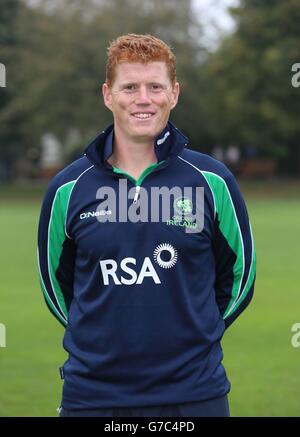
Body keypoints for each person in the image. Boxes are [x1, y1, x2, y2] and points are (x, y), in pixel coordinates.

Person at [37, 34, 256, 417]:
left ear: (174, 93)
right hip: (93, 397)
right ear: (108, 94)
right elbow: (56, 284)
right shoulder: (67, 189)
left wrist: (197, 334)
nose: (143, 98)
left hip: (194, 395)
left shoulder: (212, 180)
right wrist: (97, 338)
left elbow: (240, 276)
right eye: (130, 87)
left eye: (155, 86)